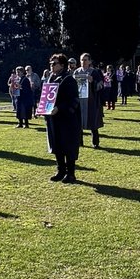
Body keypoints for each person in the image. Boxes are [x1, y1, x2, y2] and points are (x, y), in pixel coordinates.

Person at [45, 53, 82, 183]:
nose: (51, 65)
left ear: (62, 65)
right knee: (57, 144)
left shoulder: (68, 79)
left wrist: (59, 108)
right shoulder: (50, 78)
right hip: (53, 118)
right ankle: (61, 171)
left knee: (68, 145)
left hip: (67, 119)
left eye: (54, 63)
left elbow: (73, 100)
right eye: (51, 63)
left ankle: (71, 174)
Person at [78, 53, 104, 148]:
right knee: (79, 122)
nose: (83, 62)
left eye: (85, 60)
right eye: (81, 60)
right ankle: (79, 142)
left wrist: (93, 81)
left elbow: (101, 85)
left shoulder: (94, 72)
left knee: (93, 122)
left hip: (91, 100)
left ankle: (95, 142)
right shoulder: (77, 72)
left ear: (89, 61)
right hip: (80, 101)